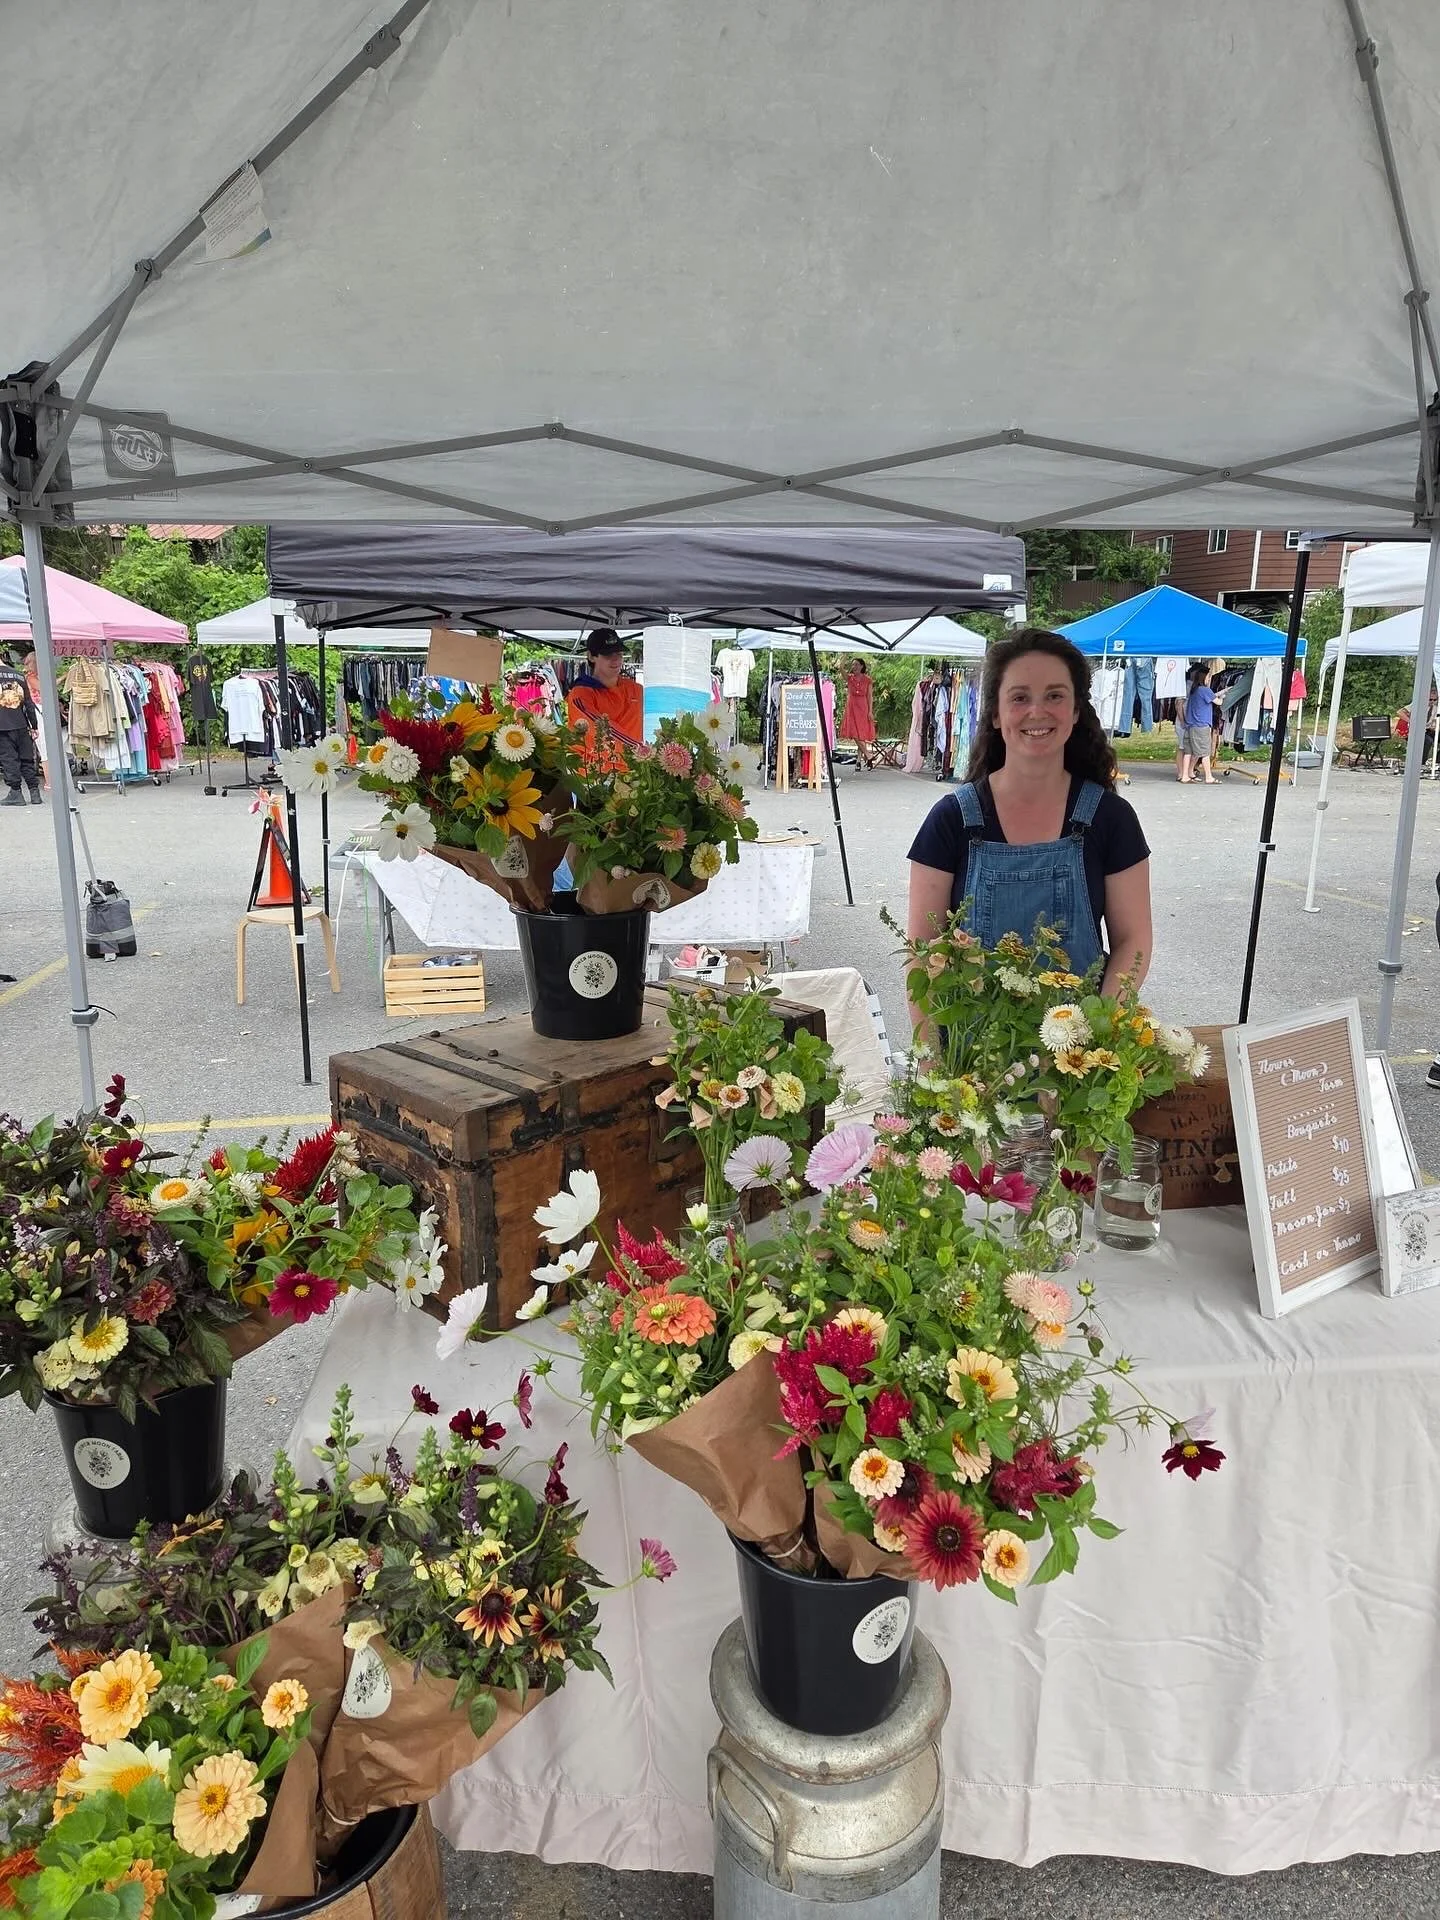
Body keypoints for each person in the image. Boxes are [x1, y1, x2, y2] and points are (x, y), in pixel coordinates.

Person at [907, 628, 1152, 997]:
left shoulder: (1111, 819)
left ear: (1074, 712)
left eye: (1054, 695)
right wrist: (933, 1055)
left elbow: (1133, 940)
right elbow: (922, 953)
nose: (1037, 711)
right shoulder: (950, 820)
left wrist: (1101, 1031)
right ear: (994, 714)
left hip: (1080, 1046)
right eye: (1019, 697)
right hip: (969, 1050)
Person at [566, 629, 643, 773]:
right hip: (600, 777)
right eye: (608, 654)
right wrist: (642, 751)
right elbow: (601, 730)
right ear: (591, 656)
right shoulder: (581, 694)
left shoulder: (636, 689)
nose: (616, 659)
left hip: (637, 770)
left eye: (619, 653)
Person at [0, 650, 41, 805]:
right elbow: (29, 703)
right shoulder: (18, 675)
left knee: (9, 759)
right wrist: (34, 725)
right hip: (21, 723)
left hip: (2, 725)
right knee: (26, 759)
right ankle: (34, 792)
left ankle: (16, 792)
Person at [1179, 663, 1218, 785]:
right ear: (1204, 677)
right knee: (1204, 752)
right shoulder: (1205, 690)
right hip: (1201, 726)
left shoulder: (1194, 690)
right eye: (1209, 677)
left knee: (1189, 752)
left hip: (1190, 725)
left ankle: (1186, 775)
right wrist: (1226, 696)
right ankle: (1209, 776)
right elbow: (1218, 702)